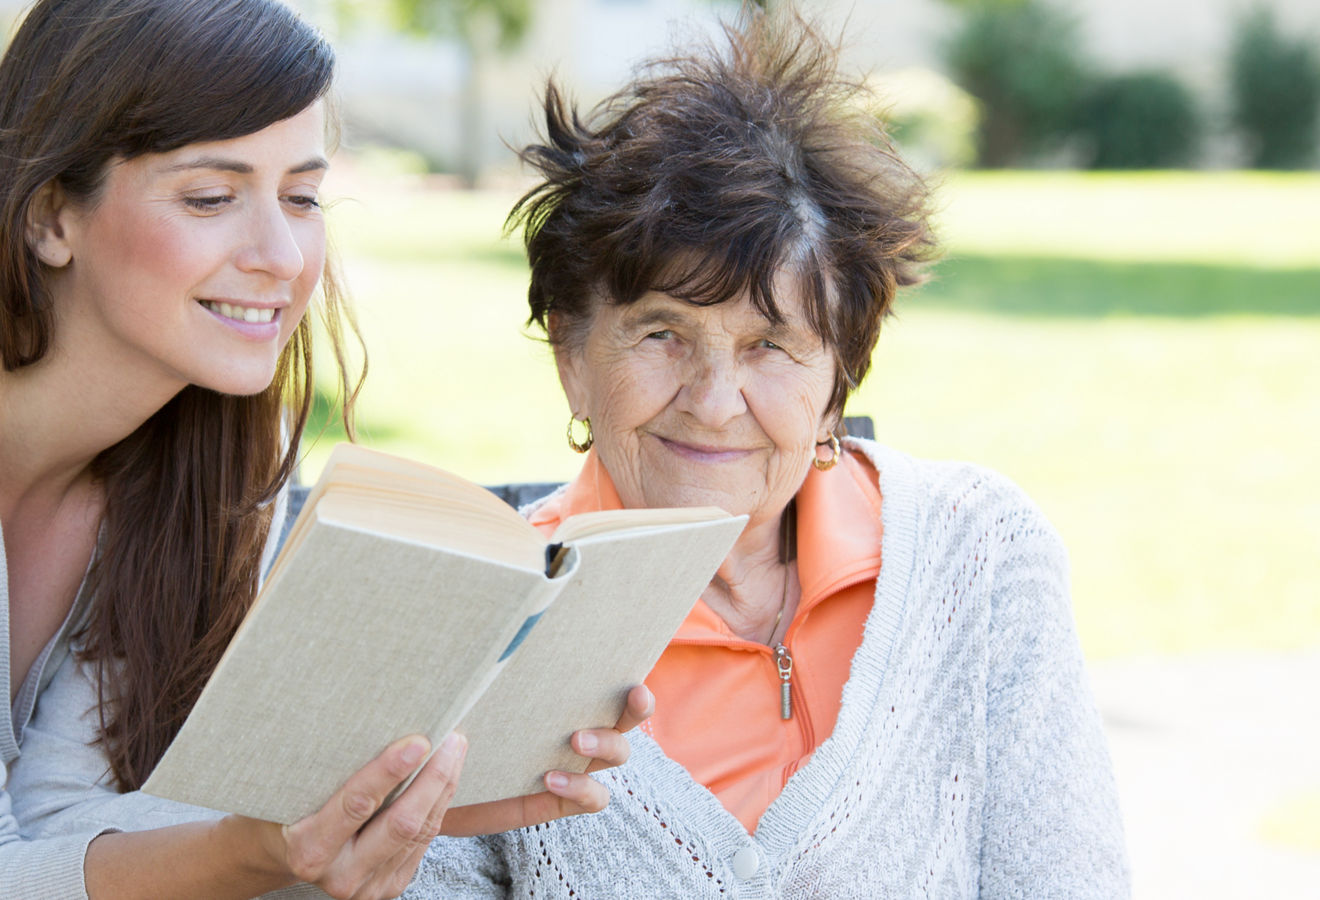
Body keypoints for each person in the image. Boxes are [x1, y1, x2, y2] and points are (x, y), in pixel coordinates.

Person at [0, 2, 644, 898]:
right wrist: (263, 854)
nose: (282, 256)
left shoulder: (212, 436)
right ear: (50, 216)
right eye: (211, 196)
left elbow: (54, 832)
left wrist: (407, 785)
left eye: (303, 196)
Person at [408, 9, 1129, 898]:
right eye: (662, 333)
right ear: (571, 358)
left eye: (771, 346)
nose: (714, 405)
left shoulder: (978, 559)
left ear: (840, 373)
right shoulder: (473, 619)